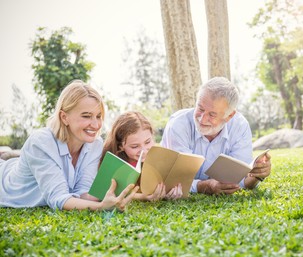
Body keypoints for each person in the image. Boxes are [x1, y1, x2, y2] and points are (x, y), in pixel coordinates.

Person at [0, 80, 138, 211]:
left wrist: (109, 198)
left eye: (98, 116)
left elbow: (83, 191)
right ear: (64, 117)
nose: (96, 125)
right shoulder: (41, 142)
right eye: (86, 116)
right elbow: (58, 199)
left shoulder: (95, 144)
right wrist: (101, 207)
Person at [161, 76, 272, 195]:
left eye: (212, 115)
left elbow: (240, 181)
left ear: (229, 116)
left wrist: (256, 176)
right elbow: (174, 180)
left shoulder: (240, 127)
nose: (202, 119)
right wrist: (204, 186)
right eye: (200, 108)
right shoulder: (178, 125)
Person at [101, 111, 183, 201]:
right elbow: (108, 191)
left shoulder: (159, 158)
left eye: (147, 142)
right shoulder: (113, 162)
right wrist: (143, 197)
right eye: (135, 146)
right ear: (121, 146)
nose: (144, 151)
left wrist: (169, 192)